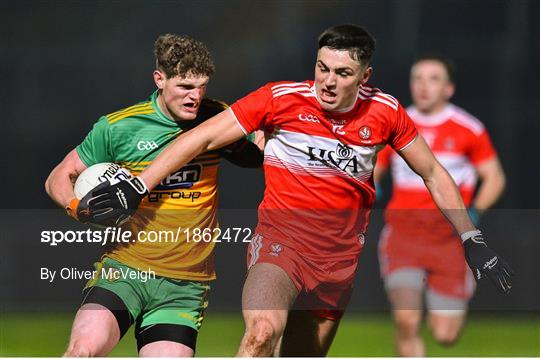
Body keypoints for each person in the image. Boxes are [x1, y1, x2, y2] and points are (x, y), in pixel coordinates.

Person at [73, 25, 513, 357]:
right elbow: (201, 137)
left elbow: (434, 173)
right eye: (322, 67)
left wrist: (470, 236)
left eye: (343, 72)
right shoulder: (280, 99)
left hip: (338, 264)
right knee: (261, 332)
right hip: (279, 248)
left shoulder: (385, 112)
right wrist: (138, 185)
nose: (328, 80)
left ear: (365, 75)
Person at [44, 34, 262, 357]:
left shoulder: (216, 118)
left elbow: (256, 149)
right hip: (125, 272)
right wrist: (78, 208)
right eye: (185, 87)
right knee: (81, 351)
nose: (196, 96)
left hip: (184, 286)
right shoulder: (120, 127)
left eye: (202, 86)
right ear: (159, 79)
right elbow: (58, 177)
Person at [374, 55, 507, 356]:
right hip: (403, 237)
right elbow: (375, 169)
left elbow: (495, 177)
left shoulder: (468, 129)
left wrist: (473, 213)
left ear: (448, 88)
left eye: (433, 79)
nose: (423, 86)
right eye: (417, 78)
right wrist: (371, 185)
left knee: (446, 335)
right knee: (406, 320)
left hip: (450, 241)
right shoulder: (395, 124)